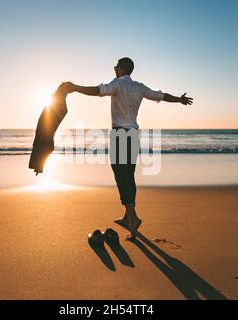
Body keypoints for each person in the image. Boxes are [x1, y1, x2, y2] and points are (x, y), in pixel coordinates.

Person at [61, 57, 193, 240]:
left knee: (120, 176)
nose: (115, 70)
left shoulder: (117, 83)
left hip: (120, 135)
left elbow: (98, 90)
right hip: (133, 135)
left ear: (121, 69)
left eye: (116, 67)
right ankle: (127, 217)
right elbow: (161, 96)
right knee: (128, 175)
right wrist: (179, 99)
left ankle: (133, 218)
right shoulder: (139, 87)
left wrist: (75, 87)